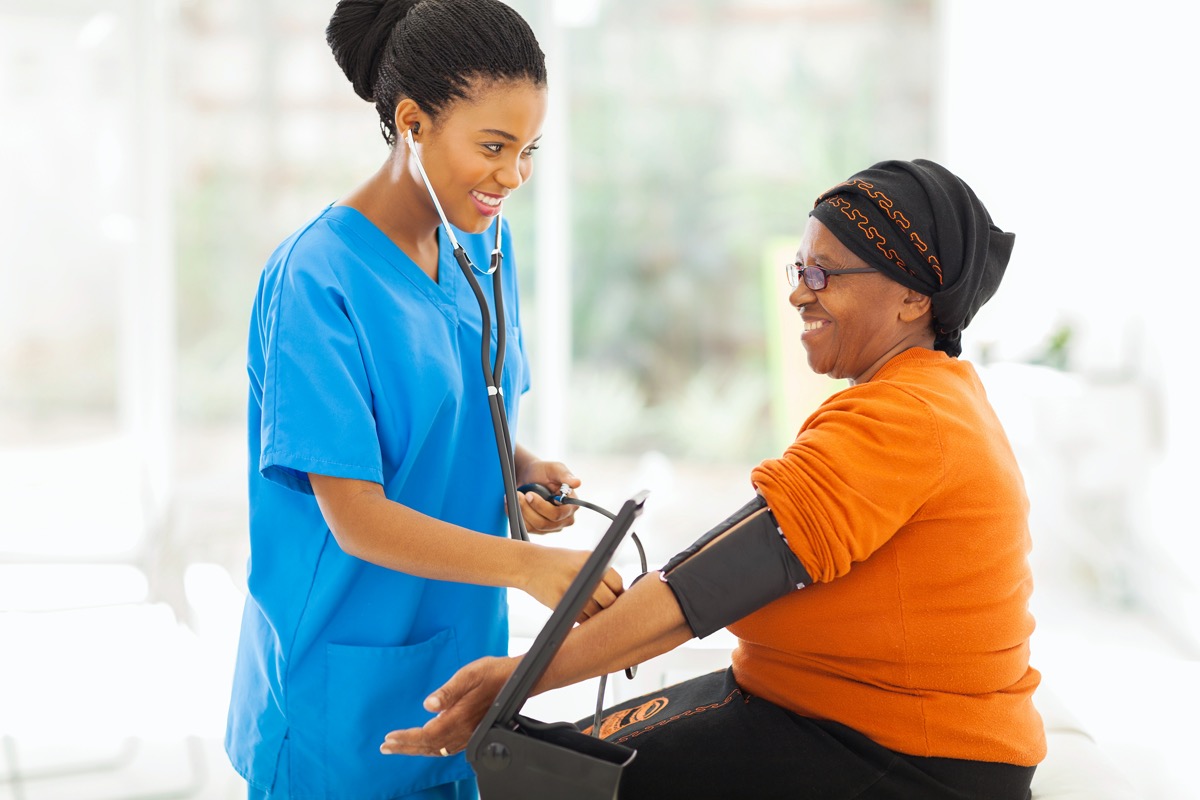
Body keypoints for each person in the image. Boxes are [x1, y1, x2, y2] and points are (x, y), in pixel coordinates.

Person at [381, 159, 1048, 799]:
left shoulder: (905, 420)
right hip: (835, 714)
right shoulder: (924, 398)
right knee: (556, 752)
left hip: (900, 758)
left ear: (911, 297)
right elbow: (716, 562)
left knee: (543, 772)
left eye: (823, 273)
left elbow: (703, 590)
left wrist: (519, 681)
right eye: (800, 266)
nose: (797, 291)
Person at [224, 1, 625, 798]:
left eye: (529, 150)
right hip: (338, 693)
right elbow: (357, 514)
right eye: (493, 146)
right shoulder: (316, 279)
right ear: (412, 121)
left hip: (461, 664)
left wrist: (520, 469)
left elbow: (467, 415)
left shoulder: (478, 244)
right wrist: (532, 568)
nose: (513, 177)